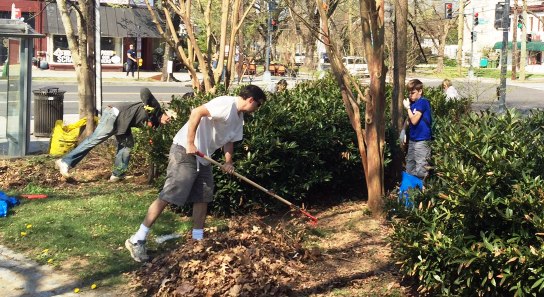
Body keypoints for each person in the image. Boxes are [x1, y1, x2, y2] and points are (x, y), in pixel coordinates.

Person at [125, 85, 266, 263]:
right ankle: (137, 239)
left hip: (204, 157)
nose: (257, 109)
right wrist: (191, 143)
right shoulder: (226, 104)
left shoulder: (239, 118)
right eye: (258, 105)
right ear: (251, 100)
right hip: (185, 149)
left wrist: (228, 162)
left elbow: (229, 141)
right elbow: (196, 112)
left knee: (203, 196)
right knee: (171, 194)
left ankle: (197, 241)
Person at [55, 88, 171, 181]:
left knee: (127, 145)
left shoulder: (157, 126)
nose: (168, 121)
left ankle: (117, 174)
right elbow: (144, 90)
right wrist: (149, 111)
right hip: (114, 114)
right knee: (94, 140)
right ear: (166, 114)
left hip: (124, 125)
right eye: (169, 118)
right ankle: (65, 162)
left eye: (169, 122)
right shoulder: (156, 109)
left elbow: (152, 139)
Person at [403, 79, 432, 180]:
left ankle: (422, 191)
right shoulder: (413, 104)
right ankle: (409, 191)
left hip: (422, 140)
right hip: (413, 139)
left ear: (420, 91)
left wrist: (407, 108)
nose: (410, 95)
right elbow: (408, 120)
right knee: (409, 165)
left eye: (413, 92)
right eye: (409, 93)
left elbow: (414, 120)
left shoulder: (423, 102)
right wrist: (403, 131)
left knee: (421, 168)